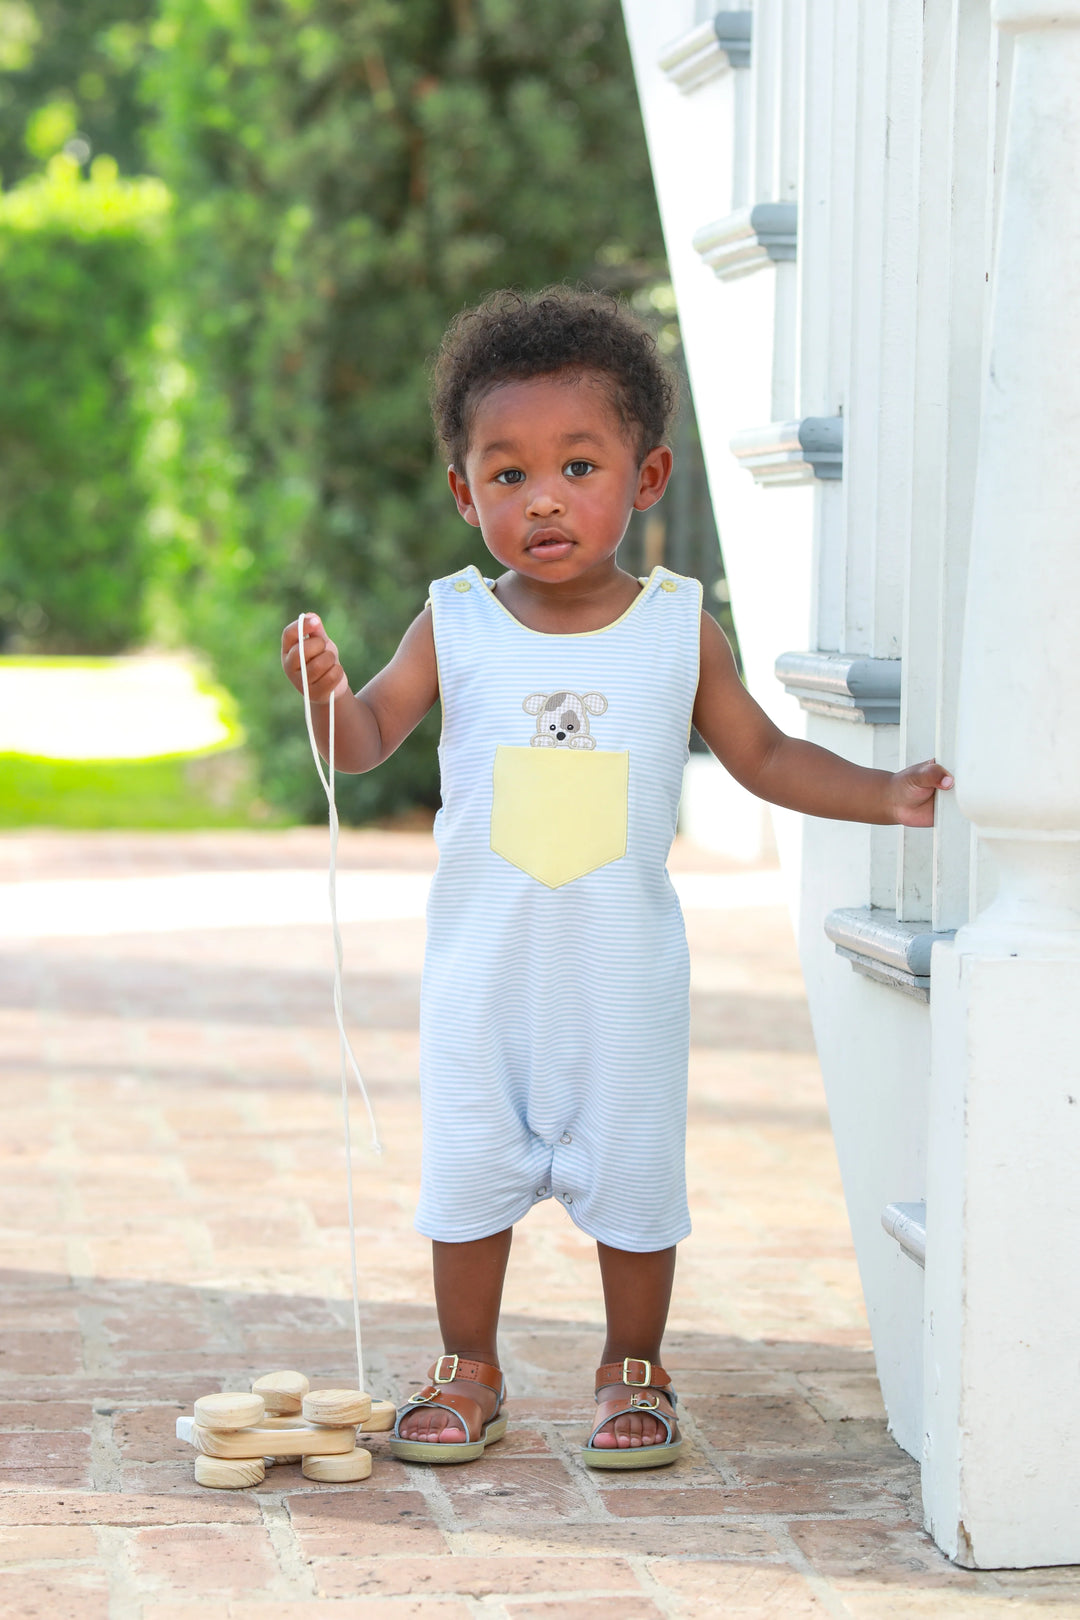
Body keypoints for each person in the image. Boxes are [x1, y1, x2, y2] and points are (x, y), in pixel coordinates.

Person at [281, 286, 952, 1472]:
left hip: (622, 978)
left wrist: (881, 791)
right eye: (506, 474)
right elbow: (365, 740)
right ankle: (467, 1365)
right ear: (463, 494)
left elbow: (764, 754)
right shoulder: (455, 622)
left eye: (578, 465)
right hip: (483, 976)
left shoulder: (676, 627)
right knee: (468, 1174)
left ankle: (632, 1367)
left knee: (636, 1173)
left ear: (645, 480)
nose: (542, 497)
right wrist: (327, 696)